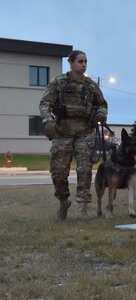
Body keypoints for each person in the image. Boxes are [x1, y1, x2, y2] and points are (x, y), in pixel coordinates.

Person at [39, 50, 109, 220]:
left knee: (84, 170)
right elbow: (45, 103)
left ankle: (82, 208)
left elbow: (102, 104)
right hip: (63, 133)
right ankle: (64, 201)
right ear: (71, 63)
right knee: (58, 172)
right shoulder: (59, 82)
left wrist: (100, 114)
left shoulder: (91, 85)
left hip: (84, 133)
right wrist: (48, 121)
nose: (84, 64)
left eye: (85, 61)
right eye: (80, 61)